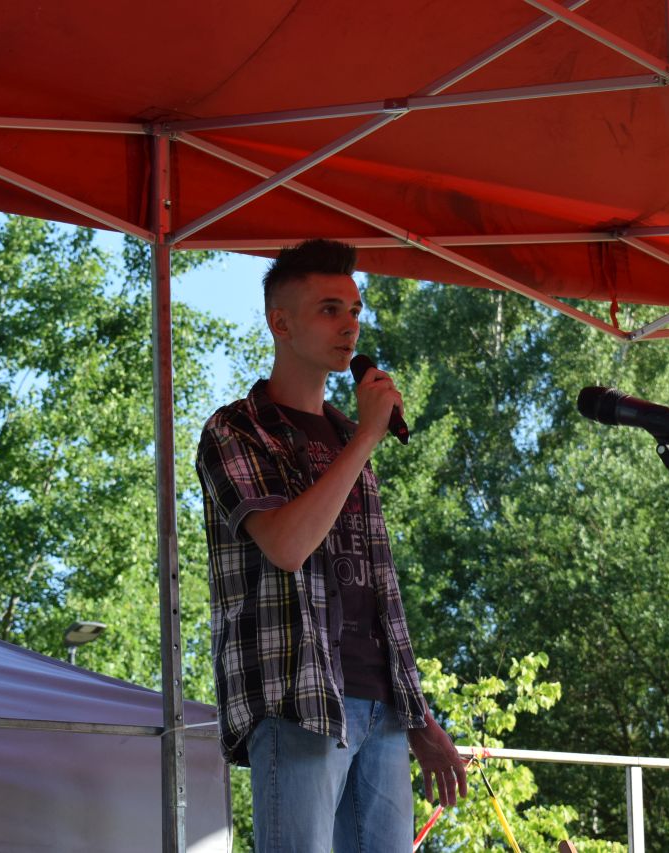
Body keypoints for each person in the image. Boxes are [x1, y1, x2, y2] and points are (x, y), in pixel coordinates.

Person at [197, 239, 468, 852]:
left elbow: (378, 591)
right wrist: (368, 436)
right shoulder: (237, 428)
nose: (350, 325)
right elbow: (286, 545)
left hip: (382, 708)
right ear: (281, 323)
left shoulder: (349, 435)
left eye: (354, 309)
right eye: (329, 309)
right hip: (298, 701)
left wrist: (419, 715)